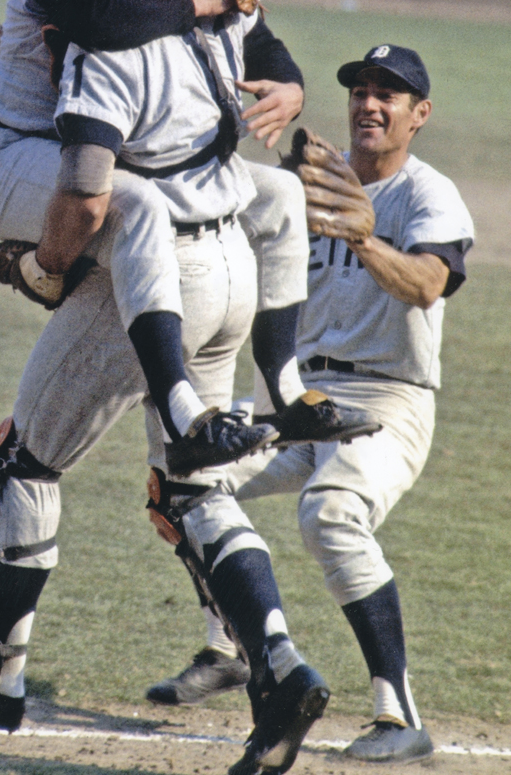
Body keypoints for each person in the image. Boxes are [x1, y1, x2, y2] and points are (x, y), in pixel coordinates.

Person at [0, 0, 333, 775]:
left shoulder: (105, 47)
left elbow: (89, 194)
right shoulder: (216, 20)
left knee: (26, 457)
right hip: (233, 264)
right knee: (192, 491)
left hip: (158, 279)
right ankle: (279, 664)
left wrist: (41, 269)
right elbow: (248, 48)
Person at [0, 0, 371, 458]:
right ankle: (45, 274)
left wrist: (289, 84)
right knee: (135, 205)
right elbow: (99, 22)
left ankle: (285, 391)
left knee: (278, 193)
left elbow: (256, 36)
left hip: (112, 154)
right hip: (19, 150)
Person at [147, 44, 475, 766]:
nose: (369, 102)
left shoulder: (427, 194)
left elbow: (425, 284)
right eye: (360, 88)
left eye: (388, 93)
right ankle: (232, 646)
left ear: (418, 115)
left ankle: (397, 715)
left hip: (387, 399)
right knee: (180, 477)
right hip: (298, 397)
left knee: (328, 512)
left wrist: (364, 240)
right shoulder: (304, 188)